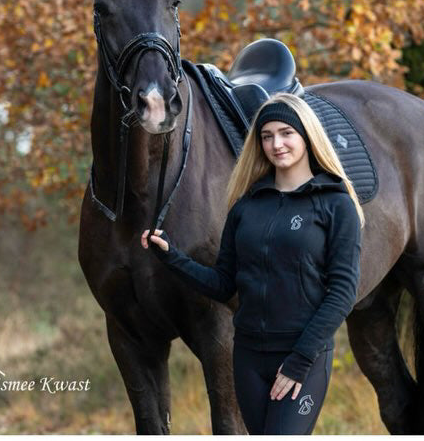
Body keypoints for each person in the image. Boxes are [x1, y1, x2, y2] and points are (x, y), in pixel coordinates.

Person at [141, 92, 364, 435]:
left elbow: (342, 292)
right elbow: (223, 283)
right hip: (247, 357)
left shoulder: (336, 205)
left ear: (306, 134)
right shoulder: (246, 205)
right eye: (267, 135)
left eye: (286, 133)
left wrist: (300, 360)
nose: (277, 144)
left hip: (303, 356)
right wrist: (171, 256)